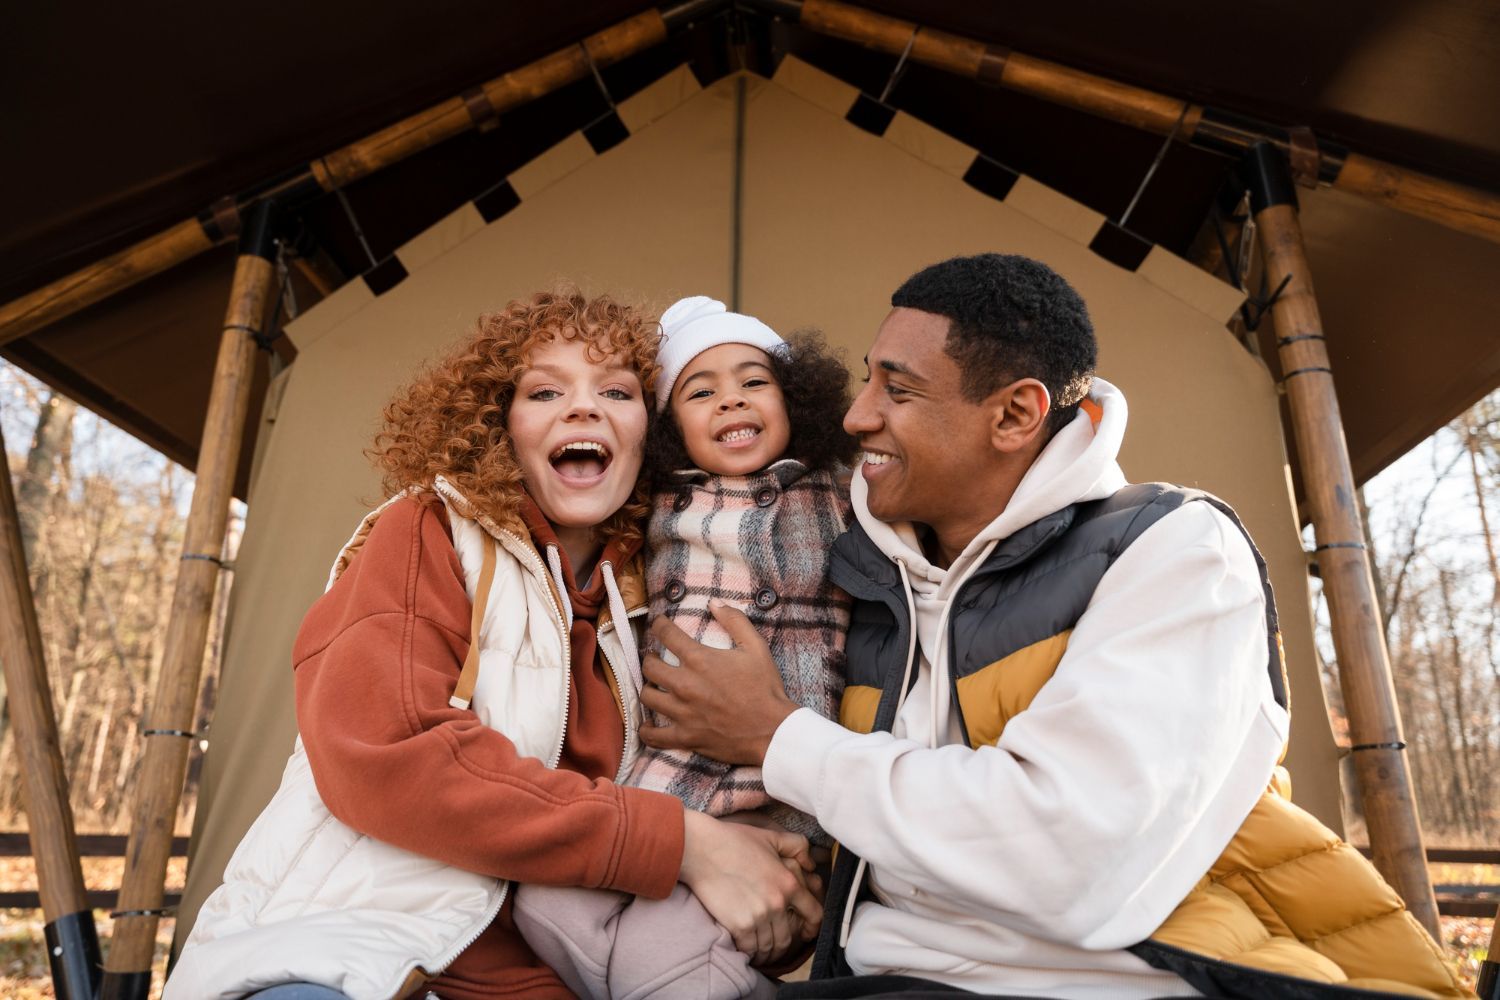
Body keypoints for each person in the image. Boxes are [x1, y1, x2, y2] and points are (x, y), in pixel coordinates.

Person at [637, 255, 1468, 999]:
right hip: (876, 974)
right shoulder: (853, 571)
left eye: (897, 388)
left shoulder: (1171, 551)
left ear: (1014, 416)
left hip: (1135, 976)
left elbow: (1067, 853)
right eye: (865, 381)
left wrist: (777, 737)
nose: (855, 418)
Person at [166, 290, 821, 1000]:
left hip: (559, 979)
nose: (583, 408)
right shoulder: (429, 532)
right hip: (359, 958)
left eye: (616, 391)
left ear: (652, 433)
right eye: (545, 390)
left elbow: (709, 834)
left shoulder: (654, 602)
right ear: (497, 423)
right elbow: (390, 755)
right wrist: (684, 845)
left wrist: (768, 891)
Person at [513, 296, 857, 999]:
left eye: (754, 382)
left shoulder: (839, 490)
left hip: (774, 795)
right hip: (667, 782)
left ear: (797, 401)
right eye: (701, 392)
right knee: (540, 905)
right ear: (670, 432)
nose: (732, 399)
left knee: (656, 955)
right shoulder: (657, 504)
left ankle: (686, 978)